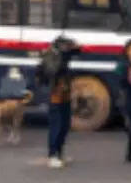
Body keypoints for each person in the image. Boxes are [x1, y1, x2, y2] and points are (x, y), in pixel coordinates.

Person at [36, 36, 81, 168]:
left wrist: (74, 47)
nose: (68, 48)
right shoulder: (50, 55)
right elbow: (53, 70)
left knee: (65, 124)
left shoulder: (64, 55)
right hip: (54, 93)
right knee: (56, 124)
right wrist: (63, 56)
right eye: (66, 46)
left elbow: (79, 51)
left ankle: (60, 153)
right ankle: (52, 155)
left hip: (65, 92)